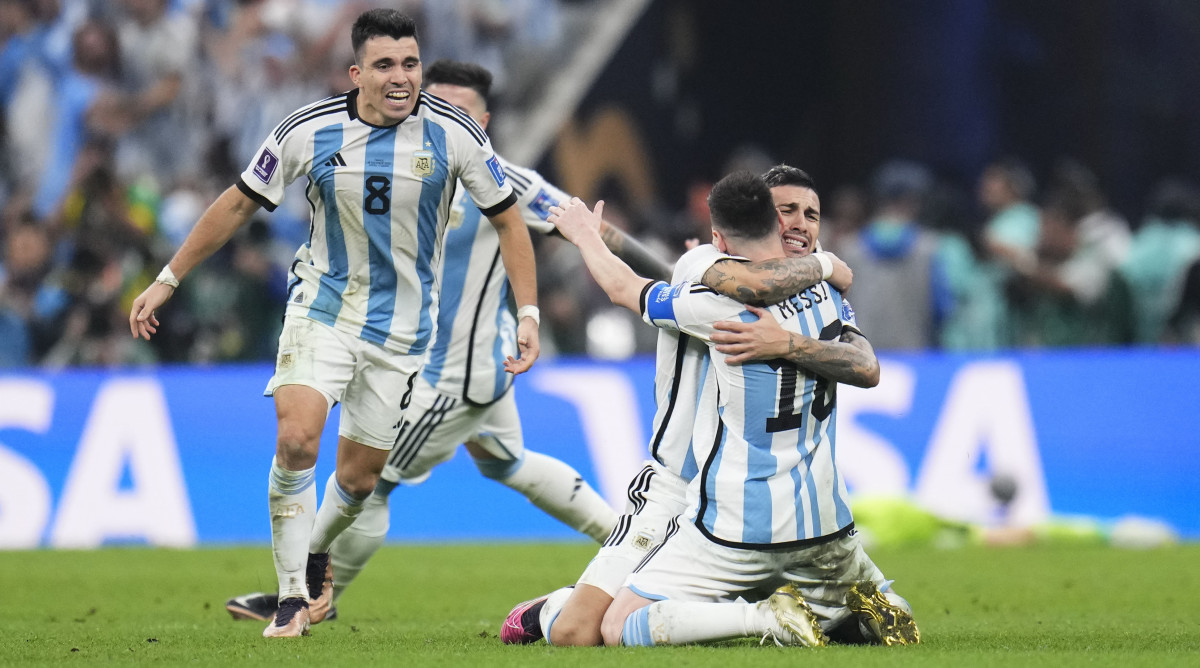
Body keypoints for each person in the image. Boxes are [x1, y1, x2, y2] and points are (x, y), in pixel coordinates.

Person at [128, 10, 541, 638]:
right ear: (356, 73)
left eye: (410, 63)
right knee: (297, 440)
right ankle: (293, 595)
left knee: (358, 479)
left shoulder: (454, 134)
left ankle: (317, 551)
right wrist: (169, 277)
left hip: (403, 332)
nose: (401, 77)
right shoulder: (308, 130)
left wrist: (528, 313)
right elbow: (239, 200)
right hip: (322, 308)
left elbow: (510, 221)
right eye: (385, 65)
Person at [222, 58, 677, 622]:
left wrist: (677, 278)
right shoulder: (398, 167)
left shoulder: (506, 181)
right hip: (472, 365)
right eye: (432, 103)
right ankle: (636, 550)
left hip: (449, 381)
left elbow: (594, 231)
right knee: (509, 463)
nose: (441, 116)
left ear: (483, 120)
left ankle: (311, 597)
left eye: (460, 110)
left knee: (371, 482)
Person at [502, 166, 879, 647]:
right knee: (579, 631)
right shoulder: (709, 265)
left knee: (624, 625)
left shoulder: (814, 290)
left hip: (734, 497)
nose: (801, 224)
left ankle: (758, 611)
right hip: (674, 485)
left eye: (811, 214)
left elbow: (863, 363)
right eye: (786, 211)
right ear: (762, 219)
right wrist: (826, 266)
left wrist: (786, 334)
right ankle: (557, 605)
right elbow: (744, 285)